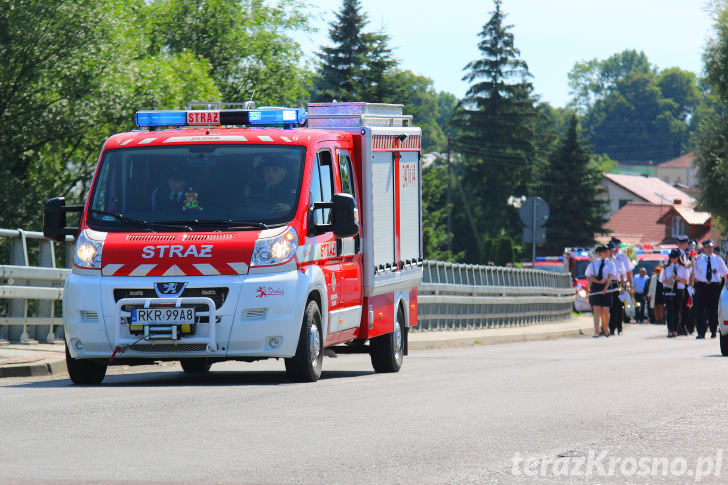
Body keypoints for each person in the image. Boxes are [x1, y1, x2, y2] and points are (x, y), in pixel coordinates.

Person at [692, 239, 728, 339]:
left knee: (714, 310)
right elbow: (694, 274)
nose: (710, 249)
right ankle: (701, 332)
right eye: (707, 247)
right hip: (702, 286)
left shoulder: (718, 259)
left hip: (714, 286)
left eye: (711, 247)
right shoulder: (698, 260)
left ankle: (713, 331)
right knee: (701, 310)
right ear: (704, 248)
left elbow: (725, 273)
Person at [585, 245, 616, 338]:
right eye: (605, 252)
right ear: (600, 253)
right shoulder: (594, 263)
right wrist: (598, 282)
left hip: (607, 286)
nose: (607, 253)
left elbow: (611, 277)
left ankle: (605, 328)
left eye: (608, 252)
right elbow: (591, 276)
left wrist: (605, 288)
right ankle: (596, 331)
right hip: (596, 286)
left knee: (605, 311)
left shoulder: (611, 263)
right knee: (596, 310)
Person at [660, 249, 689, 338]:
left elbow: (686, 281)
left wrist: (678, 278)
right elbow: (661, 280)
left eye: (675, 258)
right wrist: (669, 282)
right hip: (669, 290)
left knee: (677, 311)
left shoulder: (683, 267)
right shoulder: (666, 267)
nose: (673, 260)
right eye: (672, 258)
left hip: (679, 290)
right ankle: (670, 330)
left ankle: (675, 330)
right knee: (670, 311)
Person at [608, 239, 633, 335]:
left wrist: (628, 285)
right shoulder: (608, 259)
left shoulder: (622, 258)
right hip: (610, 283)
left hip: (619, 284)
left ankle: (619, 327)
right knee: (611, 307)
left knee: (619, 307)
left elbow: (628, 272)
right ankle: (611, 327)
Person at [676, 235, 694, 334]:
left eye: (686, 243)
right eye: (683, 243)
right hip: (679, 283)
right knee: (679, 307)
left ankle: (682, 325)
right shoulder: (677, 254)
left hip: (686, 284)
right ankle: (679, 326)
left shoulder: (685, 255)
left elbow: (689, 270)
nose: (685, 245)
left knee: (687, 306)